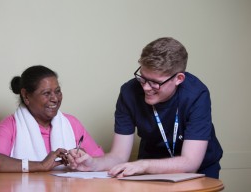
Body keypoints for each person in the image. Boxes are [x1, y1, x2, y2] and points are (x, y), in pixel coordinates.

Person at [68, 37, 223, 179]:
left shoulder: (196, 94)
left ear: (178, 79)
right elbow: (119, 156)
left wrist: (143, 165)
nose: (146, 88)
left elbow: (190, 163)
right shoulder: (128, 92)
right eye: (142, 77)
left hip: (199, 168)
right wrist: (93, 164)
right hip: (151, 165)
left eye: (155, 82)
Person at [0, 65, 104, 172]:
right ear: (26, 96)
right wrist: (40, 165)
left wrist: (84, 159)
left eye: (58, 91)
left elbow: (102, 161)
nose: (55, 98)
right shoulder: (11, 125)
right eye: (46, 93)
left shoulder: (72, 124)